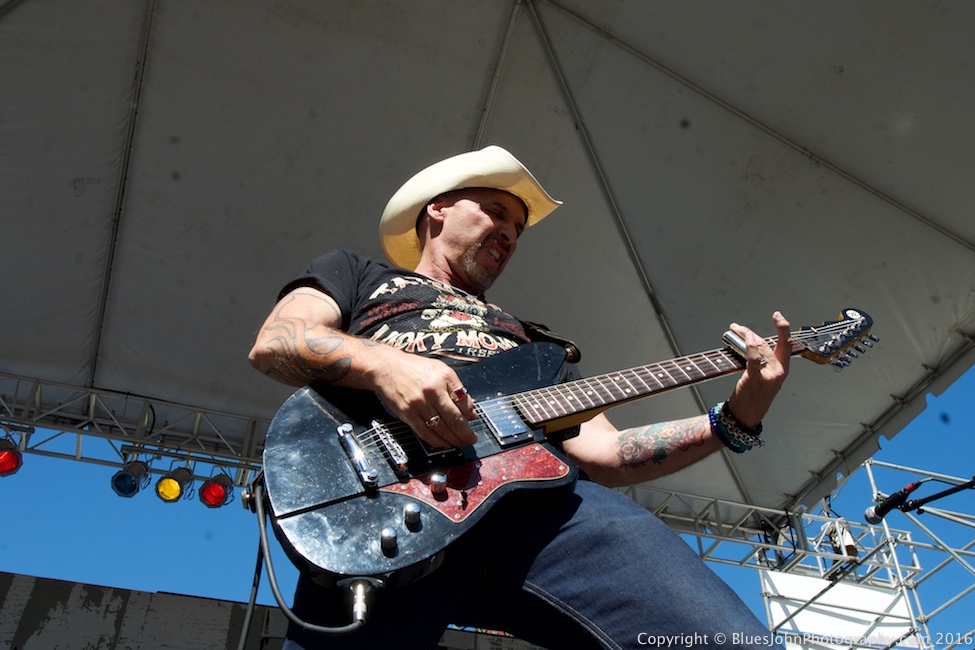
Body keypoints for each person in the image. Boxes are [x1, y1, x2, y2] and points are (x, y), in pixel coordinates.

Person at [249, 145, 790, 649]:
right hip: (382, 504)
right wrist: (388, 366)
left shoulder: (538, 349)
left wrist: (734, 418)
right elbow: (276, 343)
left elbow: (609, 453)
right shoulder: (357, 274)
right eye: (495, 213)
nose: (509, 233)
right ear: (437, 209)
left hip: (541, 514)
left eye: (517, 228)